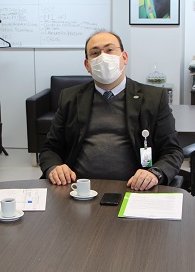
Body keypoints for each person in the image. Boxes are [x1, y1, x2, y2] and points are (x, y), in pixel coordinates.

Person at [40, 31, 183, 190]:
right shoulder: (70, 98)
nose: (103, 57)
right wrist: (54, 168)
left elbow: (172, 151)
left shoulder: (154, 98)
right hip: (79, 188)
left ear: (124, 57)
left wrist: (155, 173)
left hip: (135, 188)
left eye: (109, 50)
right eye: (95, 53)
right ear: (87, 65)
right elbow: (50, 149)